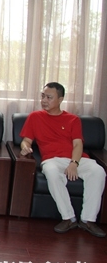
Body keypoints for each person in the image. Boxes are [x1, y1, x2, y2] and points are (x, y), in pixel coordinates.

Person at [20, 82, 106, 237]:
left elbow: (78, 144)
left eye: (49, 97)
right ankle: (69, 218)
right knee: (51, 172)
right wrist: (25, 147)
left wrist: (74, 163)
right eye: (43, 96)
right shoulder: (35, 117)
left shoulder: (73, 119)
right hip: (52, 159)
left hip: (77, 159)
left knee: (98, 172)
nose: (44, 100)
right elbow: (26, 140)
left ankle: (88, 220)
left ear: (60, 100)